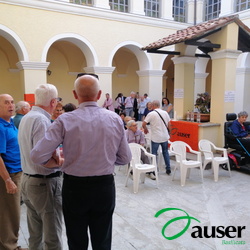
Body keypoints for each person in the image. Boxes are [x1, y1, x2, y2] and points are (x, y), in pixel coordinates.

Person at [30, 74, 132, 250]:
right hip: (104, 186)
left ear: (75, 95)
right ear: (99, 94)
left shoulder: (64, 120)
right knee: (103, 239)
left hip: (74, 188)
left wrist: (59, 162)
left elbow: (37, 156)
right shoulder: (114, 119)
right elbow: (125, 158)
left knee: (76, 239)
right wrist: (105, 159)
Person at [18, 84, 63, 250]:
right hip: (44, 183)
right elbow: (42, 157)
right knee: (52, 234)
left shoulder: (27, 117)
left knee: (35, 232)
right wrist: (63, 162)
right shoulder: (41, 120)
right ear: (53, 102)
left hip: (28, 180)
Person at [0, 94, 26, 250]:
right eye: (6, 103)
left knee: (10, 212)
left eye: (12, 102)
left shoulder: (10, 124)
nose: (10, 105)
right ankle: (9, 246)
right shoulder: (1, 127)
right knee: (10, 214)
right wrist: (8, 180)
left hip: (17, 172)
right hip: (9, 175)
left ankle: (8, 243)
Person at [142, 100, 172, 175]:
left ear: (153, 106)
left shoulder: (151, 114)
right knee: (165, 152)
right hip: (164, 136)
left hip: (156, 136)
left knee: (154, 153)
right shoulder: (165, 113)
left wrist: (145, 129)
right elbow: (169, 124)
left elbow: (143, 124)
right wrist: (169, 133)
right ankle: (168, 168)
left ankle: (155, 168)